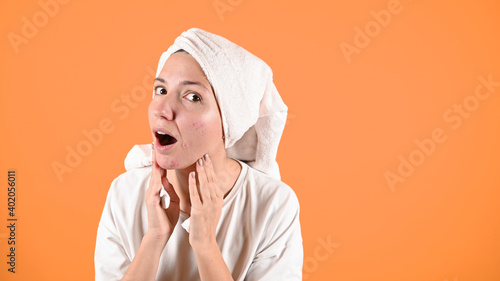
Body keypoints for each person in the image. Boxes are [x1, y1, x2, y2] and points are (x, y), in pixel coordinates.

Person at [94, 28, 303, 281]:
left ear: (229, 122)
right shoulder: (124, 194)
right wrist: (154, 239)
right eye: (160, 90)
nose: (162, 110)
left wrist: (205, 245)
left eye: (192, 97)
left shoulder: (272, 205)